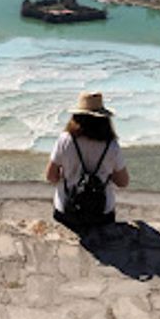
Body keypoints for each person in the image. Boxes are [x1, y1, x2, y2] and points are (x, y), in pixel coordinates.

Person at [45, 91, 130, 231]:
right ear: (104, 118)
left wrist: (70, 174)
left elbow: (50, 176)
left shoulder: (65, 140)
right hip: (102, 213)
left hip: (67, 210)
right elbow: (123, 182)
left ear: (76, 116)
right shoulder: (111, 145)